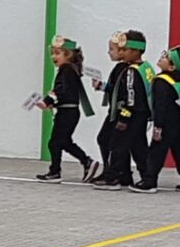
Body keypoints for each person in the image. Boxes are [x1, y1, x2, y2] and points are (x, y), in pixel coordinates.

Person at [36, 37, 98, 183]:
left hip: (67, 113)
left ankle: (57, 171)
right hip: (68, 111)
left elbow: (60, 89)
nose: (53, 56)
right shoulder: (71, 70)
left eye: (57, 53)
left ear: (68, 55)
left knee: (55, 142)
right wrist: (55, 104)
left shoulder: (66, 70)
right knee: (63, 141)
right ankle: (85, 162)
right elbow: (67, 93)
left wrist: (47, 101)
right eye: (53, 53)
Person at [94, 33, 150, 190]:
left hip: (130, 114)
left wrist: (124, 118)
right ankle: (145, 177)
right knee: (138, 146)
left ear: (136, 51)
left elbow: (131, 97)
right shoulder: (144, 67)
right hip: (138, 114)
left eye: (125, 50)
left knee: (118, 145)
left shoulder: (132, 71)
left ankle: (113, 177)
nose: (121, 52)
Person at [144, 46, 180, 192]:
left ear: (172, 66)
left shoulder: (161, 81)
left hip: (166, 123)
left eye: (166, 57)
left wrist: (158, 126)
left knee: (156, 152)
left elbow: (160, 105)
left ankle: (149, 180)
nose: (161, 57)